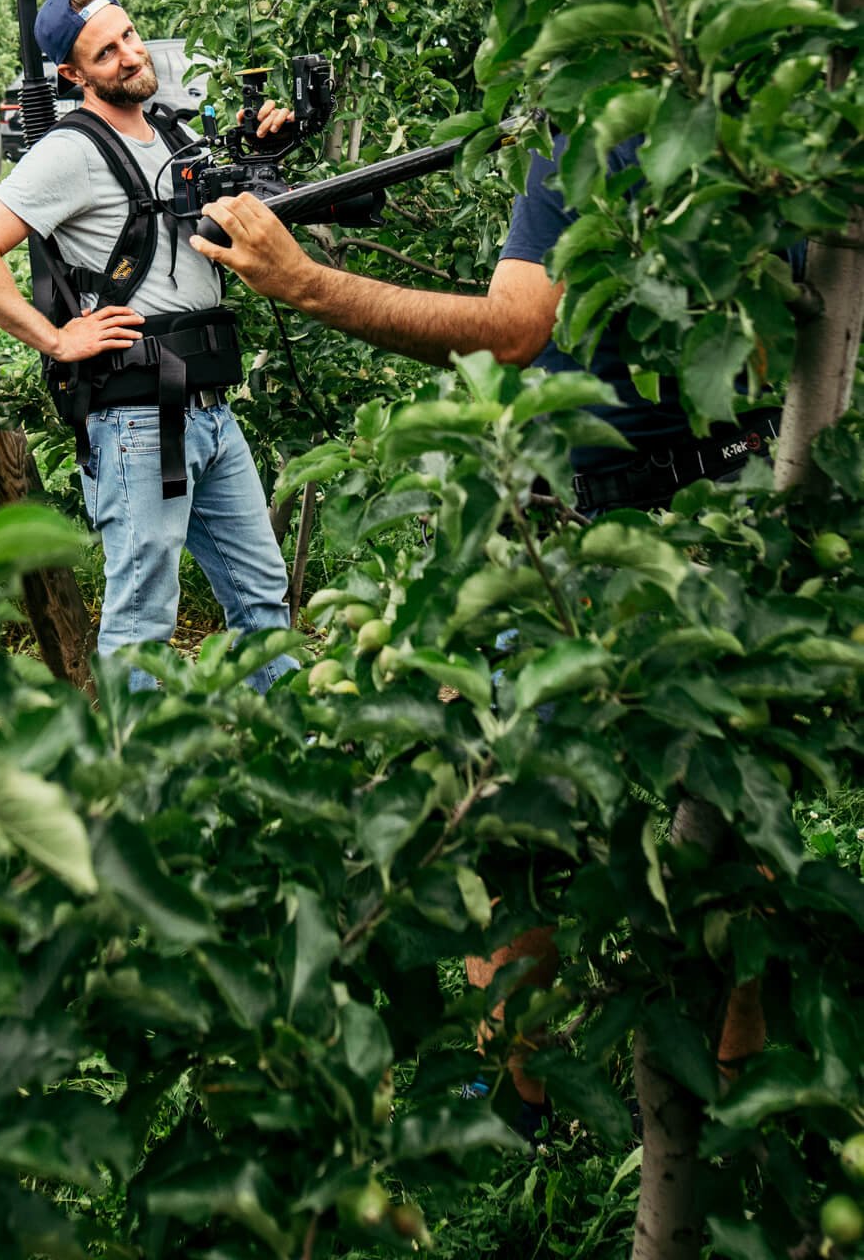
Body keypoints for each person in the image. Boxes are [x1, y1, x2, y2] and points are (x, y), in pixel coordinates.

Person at [191, 130, 776, 1123]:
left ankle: (532, 1103)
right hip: (746, 505)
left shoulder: (602, 129)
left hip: (582, 527)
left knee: (504, 815)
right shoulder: (798, 127)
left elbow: (513, 329)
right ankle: (728, 1120)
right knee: (735, 815)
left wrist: (306, 284)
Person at [0, 0, 299, 693]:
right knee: (142, 623)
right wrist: (55, 339)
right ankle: (134, 785)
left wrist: (262, 152)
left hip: (210, 411)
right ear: (72, 75)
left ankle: (286, 744)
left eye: (130, 37)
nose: (130, 56)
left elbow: (226, 203)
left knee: (263, 597)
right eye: (106, 53)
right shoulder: (69, 152)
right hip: (137, 417)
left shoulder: (169, 132)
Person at [191, 133, 779, 513]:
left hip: (635, 517)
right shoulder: (758, 138)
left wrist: (305, 283)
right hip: (749, 486)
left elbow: (511, 333)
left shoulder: (583, 145)